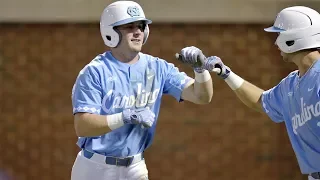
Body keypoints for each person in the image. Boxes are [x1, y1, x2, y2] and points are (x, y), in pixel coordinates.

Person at [70, 1, 214, 180]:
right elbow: (83, 126)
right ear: (111, 32)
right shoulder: (94, 71)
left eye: (141, 26)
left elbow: (202, 96)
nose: (138, 31)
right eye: (129, 27)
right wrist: (124, 117)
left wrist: (200, 70)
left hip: (135, 167)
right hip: (95, 168)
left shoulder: (158, 67)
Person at [203, 6, 320, 180]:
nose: (275, 42)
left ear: (294, 37)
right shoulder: (290, 84)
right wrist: (227, 74)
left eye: (279, 34)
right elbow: (260, 101)